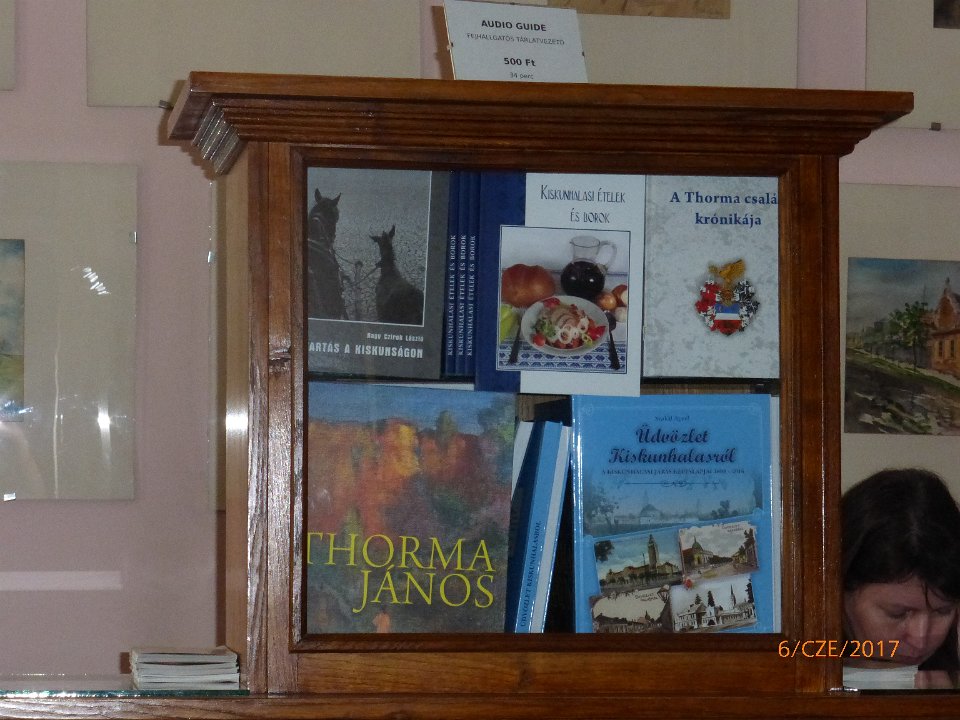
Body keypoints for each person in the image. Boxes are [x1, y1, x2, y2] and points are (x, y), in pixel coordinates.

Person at [842, 468, 960, 686]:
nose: (920, 638)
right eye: (897, 614)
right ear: (841, 591)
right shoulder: (793, 654)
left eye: (942, 611)